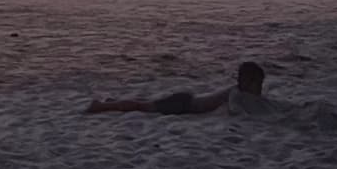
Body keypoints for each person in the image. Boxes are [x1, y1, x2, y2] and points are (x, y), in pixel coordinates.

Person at [87, 61, 265, 115]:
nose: (260, 89)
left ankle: (111, 102)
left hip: (186, 102)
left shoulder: (238, 93)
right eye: (258, 84)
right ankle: (100, 107)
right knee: (142, 107)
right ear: (247, 82)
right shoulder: (236, 94)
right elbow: (236, 112)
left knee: (142, 104)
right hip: (182, 105)